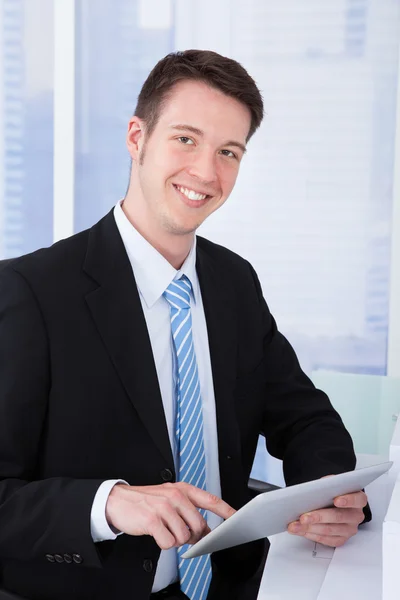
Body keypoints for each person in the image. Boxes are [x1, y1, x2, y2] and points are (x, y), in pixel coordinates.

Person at [0, 50, 369, 600]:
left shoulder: (233, 282)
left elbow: (304, 416)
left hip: (231, 584)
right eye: (186, 139)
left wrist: (329, 495)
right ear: (136, 137)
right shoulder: (31, 292)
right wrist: (109, 503)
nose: (206, 172)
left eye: (228, 152)